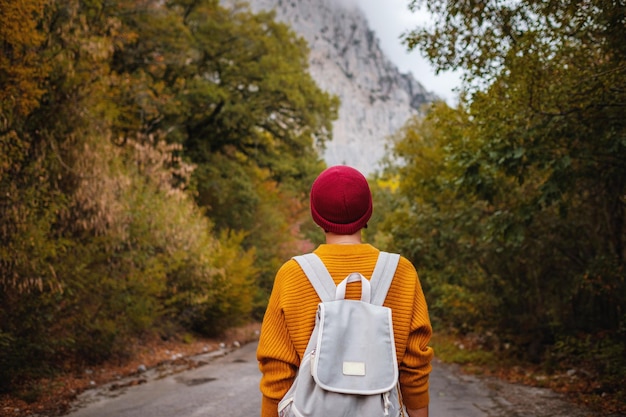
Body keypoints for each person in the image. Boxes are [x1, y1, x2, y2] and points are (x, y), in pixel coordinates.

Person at [256, 165, 434, 417]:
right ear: (367, 213)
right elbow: (415, 366)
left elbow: (276, 368)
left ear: (317, 217)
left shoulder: (292, 274)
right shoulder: (401, 272)